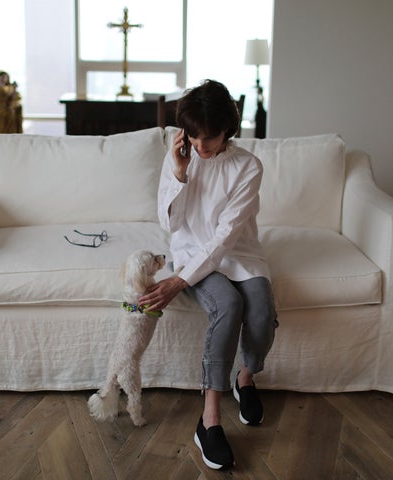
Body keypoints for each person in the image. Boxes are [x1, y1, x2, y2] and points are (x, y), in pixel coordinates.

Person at [138, 79, 278, 470]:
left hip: (239, 254)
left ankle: (245, 378)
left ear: (227, 130)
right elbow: (171, 225)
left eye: (211, 137)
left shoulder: (248, 166)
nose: (202, 146)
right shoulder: (180, 156)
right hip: (191, 254)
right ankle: (210, 419)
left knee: (263, 313)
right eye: (195, 137)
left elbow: (226, 236)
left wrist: (179, 282)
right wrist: (181, 173)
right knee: (229, 305)